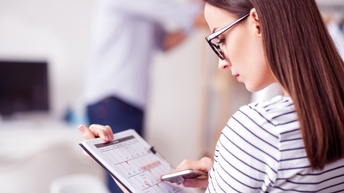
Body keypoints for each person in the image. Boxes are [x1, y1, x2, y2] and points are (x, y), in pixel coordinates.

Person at [80, 0, 344, 192]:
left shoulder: (255, 129)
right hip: (113, 95)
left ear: (258, 23)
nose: (222, 63)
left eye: (221, 39)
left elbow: (180, 23)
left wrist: (130, 182)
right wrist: (229, 176)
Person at [82, 0, 205, 192]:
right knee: (129, 184)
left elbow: (165, 43)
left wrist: (194, 19)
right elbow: (193, 15)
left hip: (130, 103)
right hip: (112, 100)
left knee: (129, 182)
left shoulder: (147, 8)